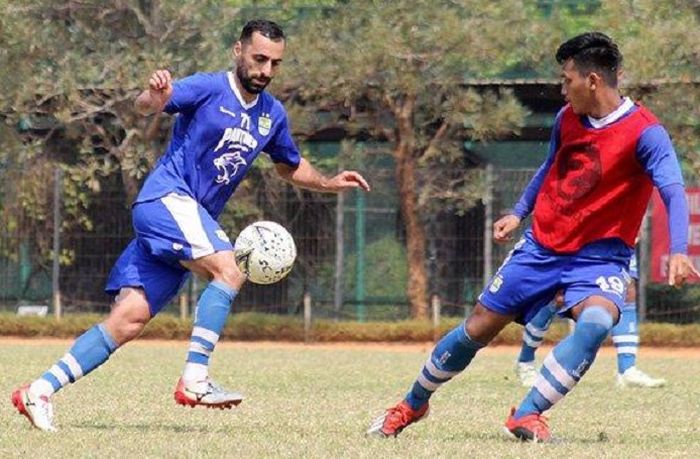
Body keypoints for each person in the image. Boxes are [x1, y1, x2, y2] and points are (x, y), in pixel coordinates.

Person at [11, 19, 370, 432]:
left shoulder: (272, 114)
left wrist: (328, 182)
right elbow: (148, 104)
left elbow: (289, 166)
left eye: (274, 63)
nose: (266, 71)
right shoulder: (208, 88)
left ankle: (38, 390)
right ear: (238, 51)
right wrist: (154, 95)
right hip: (166, 200)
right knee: (231, 268)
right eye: (259, 59)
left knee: (128, 320)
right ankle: (195, 379)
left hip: (182, 219)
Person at [367, 32, 696, 442]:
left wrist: (679, 250)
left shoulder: (647, 133)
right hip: (542, 247)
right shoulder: (567, 119)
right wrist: (517, 212)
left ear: (592, 80)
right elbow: (548, 168)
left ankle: (527, 414)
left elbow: (671, 190)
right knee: (477, 329)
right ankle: (412, 404)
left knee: (596, 322)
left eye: (567, 79)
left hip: (600, 258)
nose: (562, 89)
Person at [516, 253, 666, 388]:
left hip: (617, 236)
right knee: (557, 296)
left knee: (626, 288)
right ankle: (525, 362)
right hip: (580, 232)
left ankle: (627, 369)